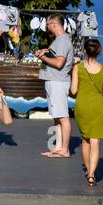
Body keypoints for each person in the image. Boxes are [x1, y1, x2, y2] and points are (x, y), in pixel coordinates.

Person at [35, 13, 74, 159]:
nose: (47, 26)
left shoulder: (62, 41)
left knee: (63, 116)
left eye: (48, 24)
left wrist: (43, 57)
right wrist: (45, 54)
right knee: (57, 116)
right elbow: (56, 58)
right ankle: (59, 148)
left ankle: (65, 149)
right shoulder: (59, 41)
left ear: (54, 24)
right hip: (54, 81)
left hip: (58, 82)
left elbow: (59, 63)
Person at [70, 38, 103, 186]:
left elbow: (73, 90)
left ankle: (88, 170)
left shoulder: (78, 67)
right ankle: (92, 175)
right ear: (99, 52)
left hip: (82, 106)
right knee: (95, 141)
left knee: (86, 140)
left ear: (85, 51)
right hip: (98, 106)